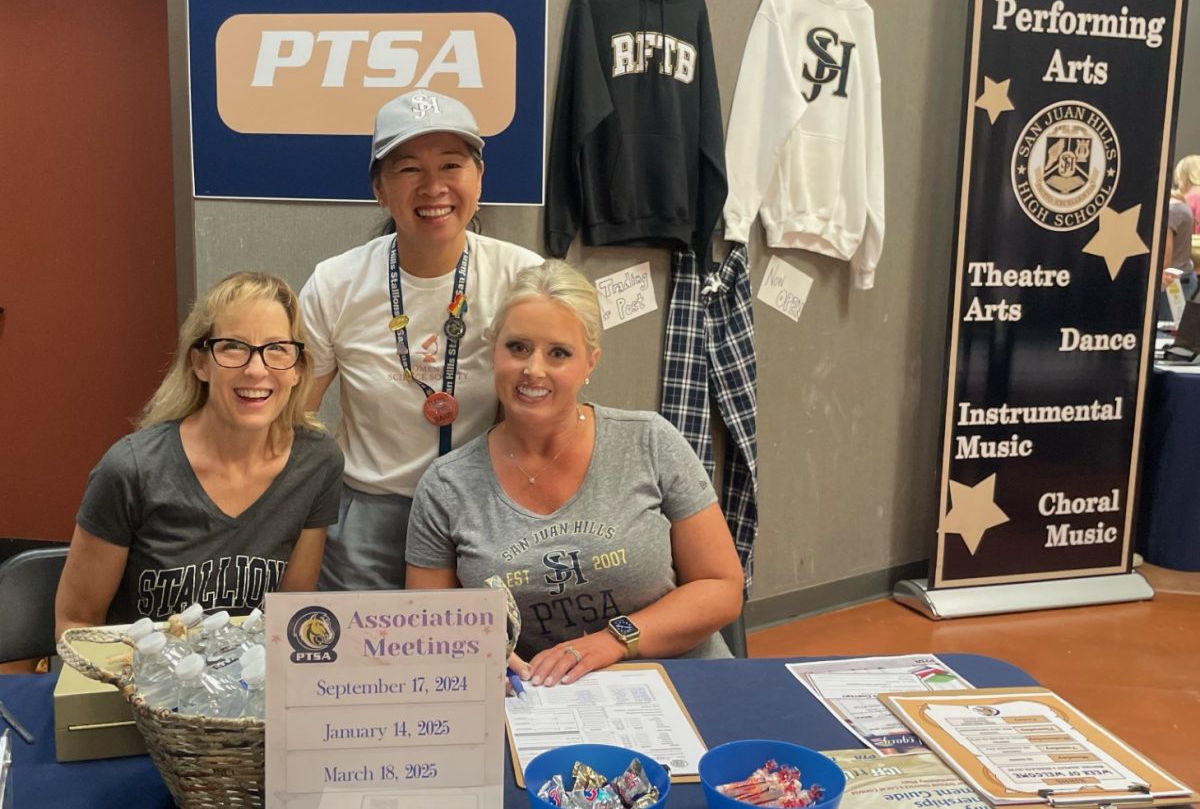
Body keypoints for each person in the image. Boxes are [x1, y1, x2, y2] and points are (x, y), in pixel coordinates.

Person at [406, 260, 744, 687]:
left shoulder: (650, 442)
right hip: (542, 701)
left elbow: (722, 587)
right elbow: (428, 629)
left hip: (679, 680)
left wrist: (612, 640)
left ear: (590, 362)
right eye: (518, 347)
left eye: (559, 353)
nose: (534, 370)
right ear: (494, 352)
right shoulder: (446, 486)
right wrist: (476, 657)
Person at [300, 90, 542, 592]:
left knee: (477, 661)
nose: (433, 187)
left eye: (451, 165)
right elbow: (298, 414)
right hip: (368, 514)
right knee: (367, 659)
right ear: (379, 189)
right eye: (408, 169)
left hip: (485, 507)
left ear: (479, 176)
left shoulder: (524, 277)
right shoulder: (335, 283)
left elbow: (549, 405)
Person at [55, 272, 344, 636]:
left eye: (277, 349)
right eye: (233, 347)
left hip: (248, 683)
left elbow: (291, 617)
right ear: (199, 363)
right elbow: (76, 625)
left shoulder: (317, 463)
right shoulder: (132, 469)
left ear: (299, 370)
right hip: (140, 682)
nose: (256, 369)